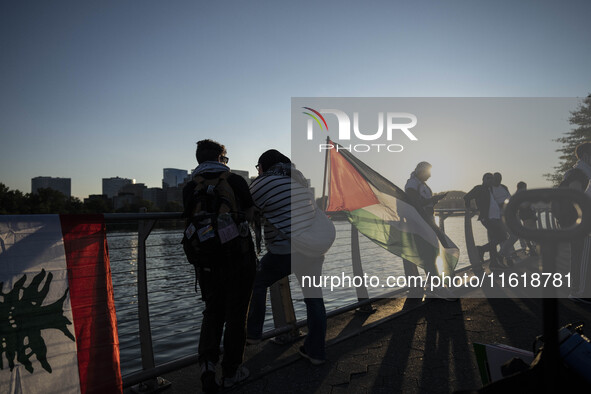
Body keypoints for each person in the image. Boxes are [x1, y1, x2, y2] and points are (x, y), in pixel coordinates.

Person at [182, 139, 256, 392]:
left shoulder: (190, 187)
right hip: (239, 258)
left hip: (206, 262)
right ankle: (231, 372)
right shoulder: (234, 181)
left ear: (199, 160)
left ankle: (207, 366)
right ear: (222, 158)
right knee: (237, 316)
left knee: (212, 312)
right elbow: (250, 211)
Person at [246, 149, 327, 365]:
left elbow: (246, 208)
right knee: (314, 299)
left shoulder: (263, 183)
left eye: (258, 167)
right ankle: (316, 352)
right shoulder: (300, 180)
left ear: (263, 166)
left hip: (287, 251)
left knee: (256, 281)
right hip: (313, 249)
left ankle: (253, 333)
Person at [403, 162, 454, 300]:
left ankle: (431, 287)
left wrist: (433, 200)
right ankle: (434, 287)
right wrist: (432, 199)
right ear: (421, 171)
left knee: (430, 254)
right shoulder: (412, 184)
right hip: (420, 223)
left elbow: (423, 203)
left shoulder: (421, 184)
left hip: (426, 222)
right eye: (428, 172)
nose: (430, 175)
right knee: (428, 254)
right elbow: (415, 203)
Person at [557, 142, 591, 303]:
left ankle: (579, 290)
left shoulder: (580, 172)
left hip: (575, 221)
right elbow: (577, 198)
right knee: (581, 255)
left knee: (580, 255)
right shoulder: (579, 174)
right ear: (585, 155)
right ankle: (579, 291)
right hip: (578, 222)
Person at [464, 173, 509, 270]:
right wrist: (469, 208)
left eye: (492, 179)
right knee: (503, 236)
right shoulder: (479, 188)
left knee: (494, 240)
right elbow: (466, 197)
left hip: (495, 217)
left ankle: (493, 263)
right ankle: (481, 249)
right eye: (488, 178)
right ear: (483, 179)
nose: (490, 180)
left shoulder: (490, 189)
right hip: (487, 218)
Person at [491, 172, 518, 264]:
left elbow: (510, 197)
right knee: (503, 238)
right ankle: (508, 257)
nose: (498, 180)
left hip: (509, 214)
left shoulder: (504, 187)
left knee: (515, 235)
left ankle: (501, 254)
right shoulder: (490, 189)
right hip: (498, 216)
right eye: (496, 178)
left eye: (500, 178)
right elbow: (490, 202)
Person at [515, 181, 538, 256]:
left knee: (532, 230)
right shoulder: (520, 195)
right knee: (531, 230)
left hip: (528, 214)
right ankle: (531, 247)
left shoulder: (519, 195)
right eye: (525, 187)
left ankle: (532, 247)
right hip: (526, 214)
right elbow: (523, 206)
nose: (526, 188)